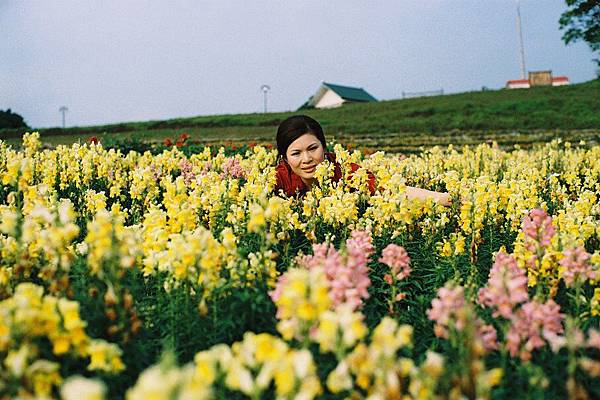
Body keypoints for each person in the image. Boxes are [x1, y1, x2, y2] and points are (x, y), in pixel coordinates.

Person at [273, 115, 452, 206]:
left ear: (324, 147)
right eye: (296, 153)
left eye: (313, 149)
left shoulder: (343, 170)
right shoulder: (278, 178)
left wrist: (444, 198)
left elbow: (387, 189)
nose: (307, 159)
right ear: (285, 158)